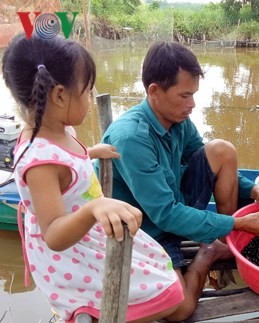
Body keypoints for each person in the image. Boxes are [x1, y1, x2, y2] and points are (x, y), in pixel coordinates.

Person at [2, 34, 191, 322]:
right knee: (172, 297)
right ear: (60, 95)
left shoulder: (56, 129)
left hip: (87, 233)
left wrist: (89, 152)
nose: (91, 99)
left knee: (163, 276)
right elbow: (53, 232)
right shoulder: (39, 163)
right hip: (70, 252)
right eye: (87, 91)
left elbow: (66, 167)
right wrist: (93, 207)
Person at [99, 41, 259, 321]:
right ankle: (209, 252)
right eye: (185, 95)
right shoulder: (132, 138)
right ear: (154, 91)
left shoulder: (178, 119)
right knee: (182, 309)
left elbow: (206, 160)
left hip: (174, 203)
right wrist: (237, 222)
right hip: (148, 229)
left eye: (194, 95)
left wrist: (255, 189)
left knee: (222, 150)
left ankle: (226, 241)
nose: (192, 104)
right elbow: (164, 214)